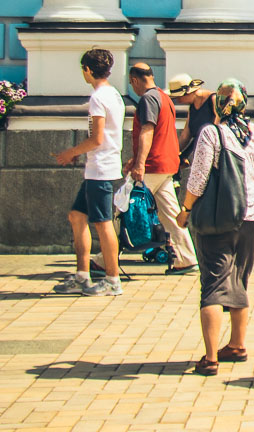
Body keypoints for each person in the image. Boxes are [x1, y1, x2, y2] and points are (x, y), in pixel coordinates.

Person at [177, 79, 254, 376]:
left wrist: (186, 210)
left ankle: (210, 356)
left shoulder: (211, 133)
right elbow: (251, 170)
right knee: (239, 278)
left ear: (218, 103)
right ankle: (237, 345)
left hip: (220, 215)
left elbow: (198, 178)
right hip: (252, 213)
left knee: (213, 284)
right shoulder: (252, 132)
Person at [52, 48, 126, 297]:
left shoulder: (98, 98)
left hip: (100, 170)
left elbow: (96, 138)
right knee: (76, 215)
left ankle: (112, 280)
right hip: (98, 169)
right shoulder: (113, 94)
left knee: (103, 224)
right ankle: (82, 274)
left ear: (87, 70)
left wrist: (70, 152)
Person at [127, 63, 198, 275]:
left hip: (152, 165)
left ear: (134, 80)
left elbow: (147, 131)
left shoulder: (147, 99)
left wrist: (139, 163)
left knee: (122, 208)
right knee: (170, 214)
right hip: (166, 164)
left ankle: (103, 259)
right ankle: (186, 258)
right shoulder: (164, 98)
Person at [171, 74, 215, 165]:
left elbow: (218, 131)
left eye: (179, 97)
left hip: (213, 156)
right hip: (199, 156)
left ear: (189, 92)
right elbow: (185, 135)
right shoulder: (192, 107)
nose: (178, 101)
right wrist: (172, 154)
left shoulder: (213, 100)